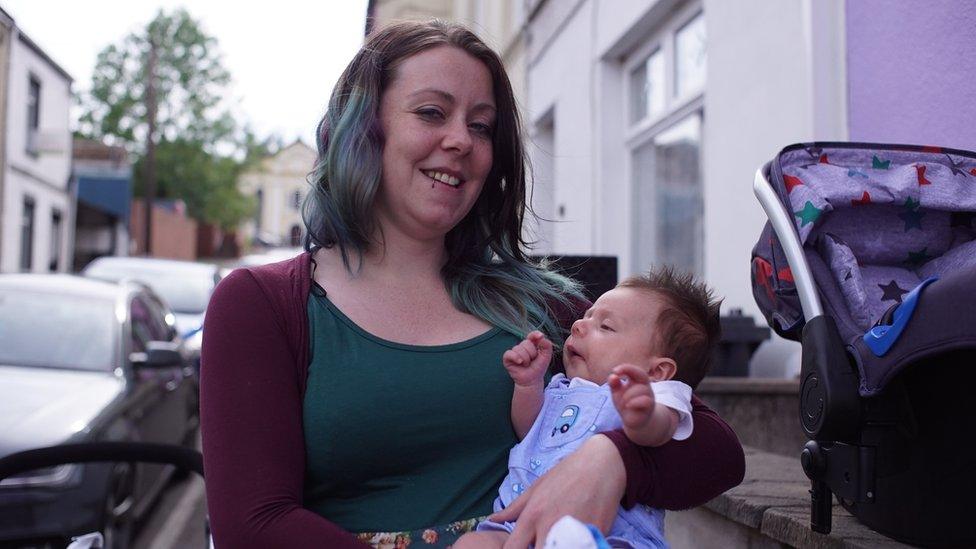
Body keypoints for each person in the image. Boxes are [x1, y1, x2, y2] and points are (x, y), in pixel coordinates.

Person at [200, 20, 744, 549]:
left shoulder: (546, 308)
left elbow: (718, 454)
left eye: (481, 125)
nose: (460, 140)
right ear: (364, 129)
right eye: (432, 112)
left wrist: (614, 459)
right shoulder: (263, 305)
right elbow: (254, 526)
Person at [457, 267, 721, 548]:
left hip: (614, 533)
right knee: (472, 544)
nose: (578, 326)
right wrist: (528, 384)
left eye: (605, 326)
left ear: (657, 371)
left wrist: (642, 416)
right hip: (520, 523)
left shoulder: (652, 393)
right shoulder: (562, 388)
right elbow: (530, 431)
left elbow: (661, 430)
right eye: (585, 317)